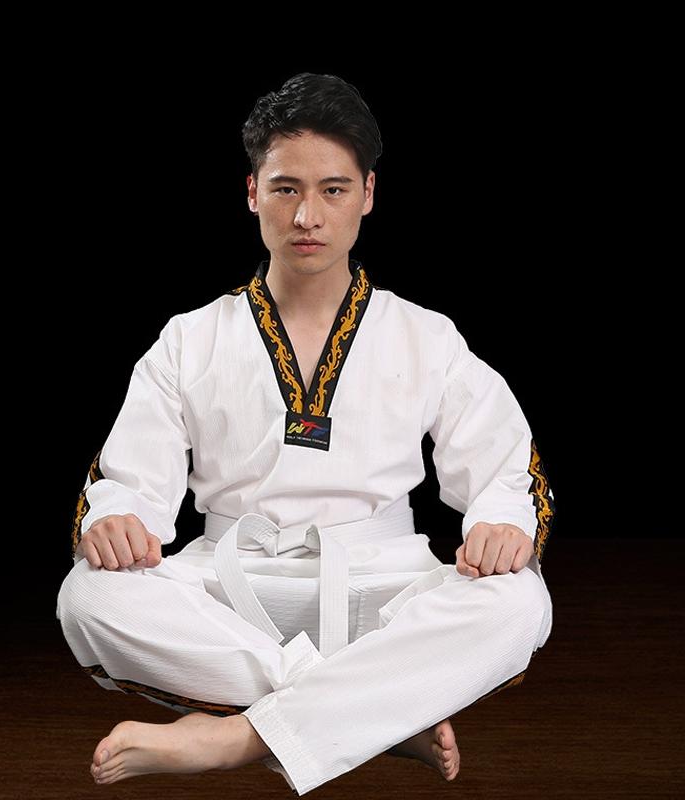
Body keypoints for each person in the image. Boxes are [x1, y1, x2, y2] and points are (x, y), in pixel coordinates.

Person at [55, 71, 556, 796]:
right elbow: (127, 483)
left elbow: (508, 472)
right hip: (230, 583)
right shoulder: (190, 338)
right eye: (286, 188)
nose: (307, 216)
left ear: (368, 194)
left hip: (383, 580)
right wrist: (118, 518)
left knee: (519, 601)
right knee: (89, 596)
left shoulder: (425, 335)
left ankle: (233, 737)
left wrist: (502, 524)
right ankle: (376, 712)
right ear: (252, 192)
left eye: (334, 190)